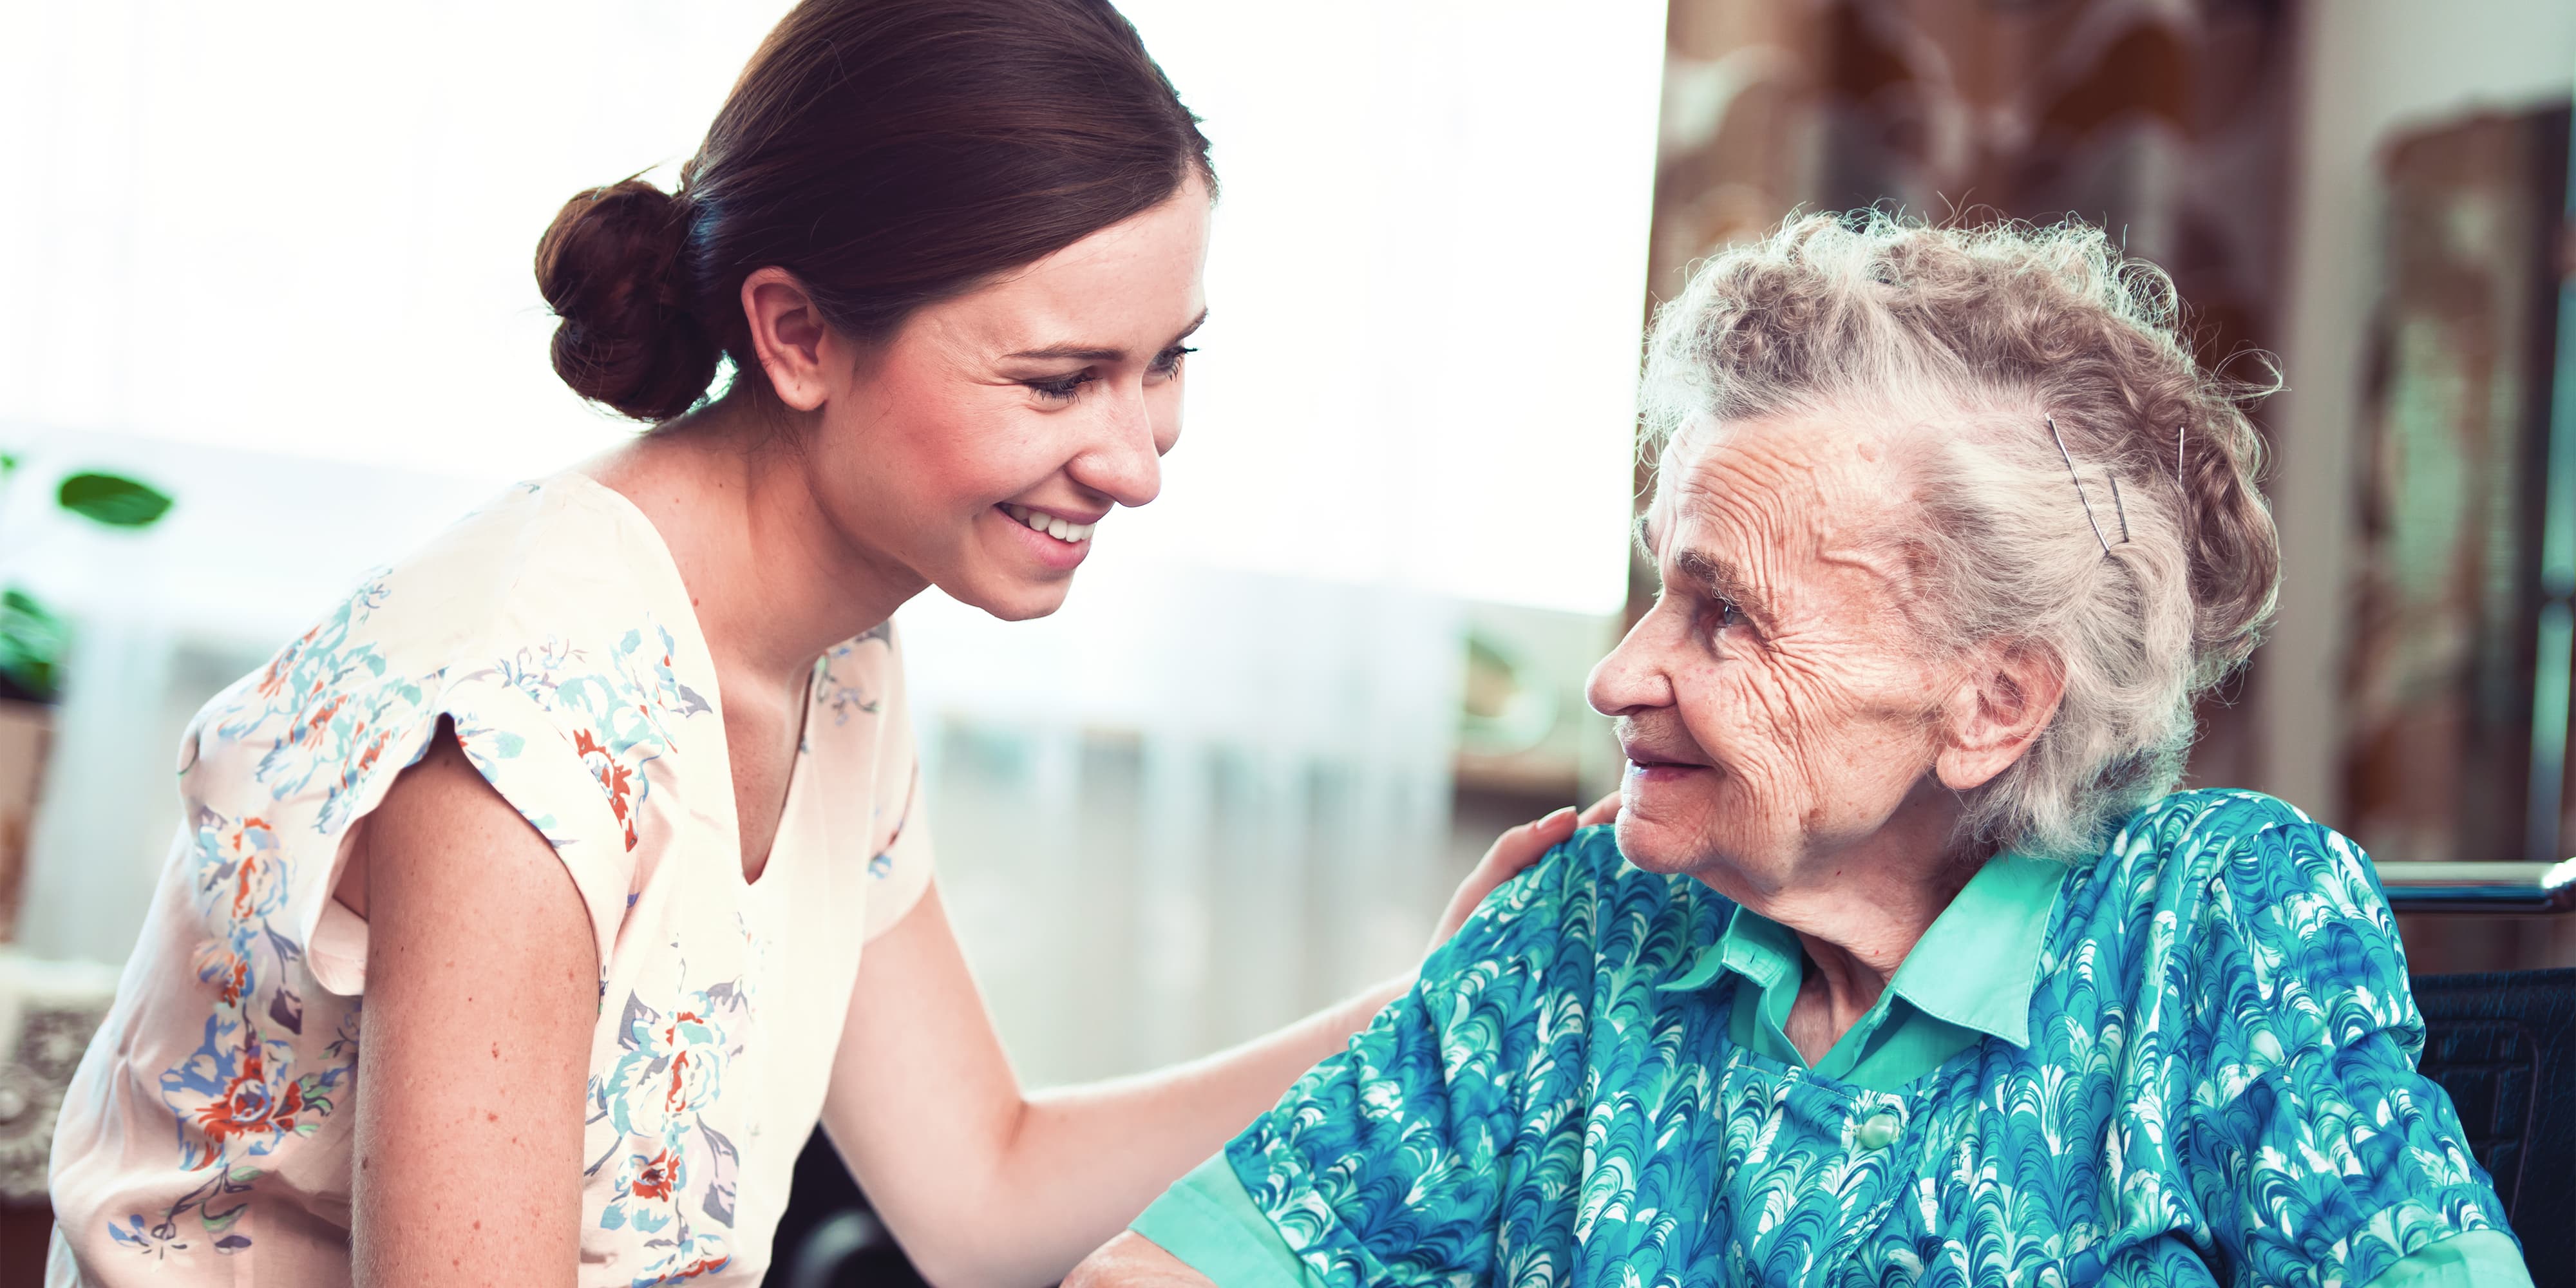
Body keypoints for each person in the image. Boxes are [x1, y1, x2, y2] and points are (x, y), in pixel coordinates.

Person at [43, 3, 1599, 1283]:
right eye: (1059, 381)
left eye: (1161, 363)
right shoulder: (520, 742)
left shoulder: (831, 651)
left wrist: (1442, 1004)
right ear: (796, 336)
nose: (1135, 459)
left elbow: (979, 1193)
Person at [1072, 213, 2533, 1287]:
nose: (1619, 673)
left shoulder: (2217, 923)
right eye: (1661, 586)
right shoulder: (1583, 923)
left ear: (1990, 704)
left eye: (1725, 616)